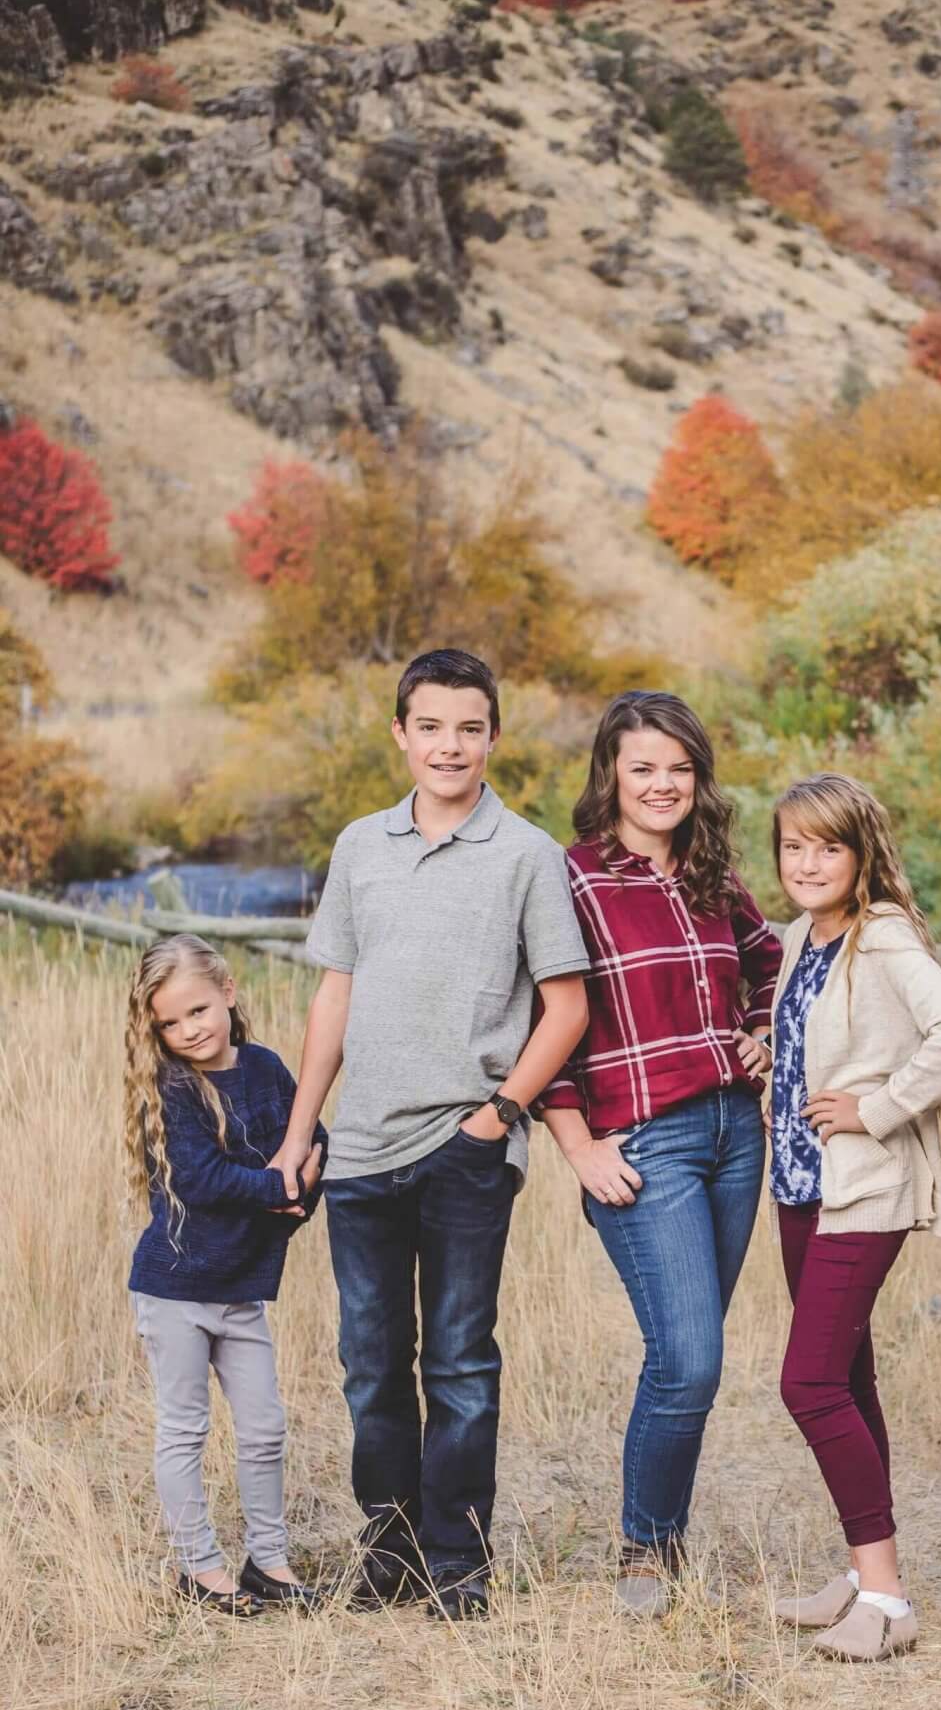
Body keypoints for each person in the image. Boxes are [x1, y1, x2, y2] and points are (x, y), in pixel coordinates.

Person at [272, 649, 590, 1622]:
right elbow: (335, 997)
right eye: (431, 727)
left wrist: (495, 1118)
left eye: (469, 727)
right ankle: (394, 1548)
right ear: (401, 735)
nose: (450, 745)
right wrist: (298, 1136)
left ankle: (457, 1560)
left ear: (493, 737)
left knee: (458, 1358)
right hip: (361, 1152)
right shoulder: (361, 847)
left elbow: (566, 1007)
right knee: (370, 1361)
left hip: (465, 1152)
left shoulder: (528, 854)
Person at [538, 692, 782, 1621]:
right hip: (645, 1144)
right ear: (611, 774)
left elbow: (768, 963)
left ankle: (664, 1536)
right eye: (643, 767)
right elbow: (541, 1021)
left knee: (697, 1355)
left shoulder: (715, 876)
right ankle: (645, 1548)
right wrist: (576, 1144)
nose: (662, 785)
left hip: (734, 1135)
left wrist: (759, 1031)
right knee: (686, 1357)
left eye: (679, 768)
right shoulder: (572, 879)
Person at [768, 774, 941, 1663]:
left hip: (863, 1189)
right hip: (798, 1188)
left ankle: (891, 1598)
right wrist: (773, 1053)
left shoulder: (884, 935)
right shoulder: (798, 938)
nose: (808, 862)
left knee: (808, 1384)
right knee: (847, 1380)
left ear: (861, 855)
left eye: (828, 846)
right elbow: (822, 1036)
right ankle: (863, 1580)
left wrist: (878, 1107)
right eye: (793, 846)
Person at [126, 933, 326, 1617]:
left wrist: (300, 1196)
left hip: (242, 1289)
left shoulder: (266, 1069)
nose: (188, 1031)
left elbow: (312, 1142)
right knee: (184, 1429)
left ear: (229, 992)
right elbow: (202, 1179)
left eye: (199, 1011)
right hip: (176, 1289)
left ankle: (268, 1560)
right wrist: (279, 1187)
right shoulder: (172, 1086)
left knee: (265, 1425)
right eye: (171, 1022)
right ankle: (199, 1567)